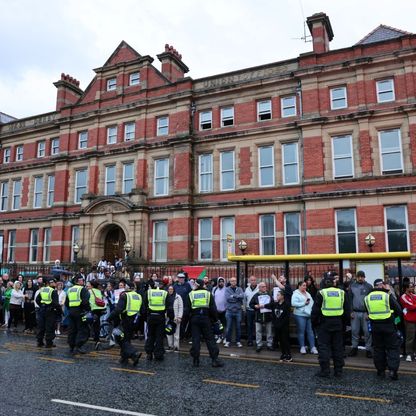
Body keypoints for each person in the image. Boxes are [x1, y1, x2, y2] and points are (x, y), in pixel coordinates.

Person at [311, 276, 350, 378]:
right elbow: (347, 311)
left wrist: (314, 323)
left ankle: (325, 370)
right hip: (338, 323)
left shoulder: (321, 293)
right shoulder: (342, 293)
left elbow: (315, 311)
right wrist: (345, 324)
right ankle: (338, 371)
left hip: (324, 324)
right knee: (338, 348)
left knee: (324, 347)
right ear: (334, 283)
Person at [364, 278, 402, 380]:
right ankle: (393, 371)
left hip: (375, 327)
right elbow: (399, 311)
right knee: (392, 348)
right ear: (381, 286)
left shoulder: (367, 298)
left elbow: (368, 312)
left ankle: (380, 371)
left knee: (378, 349)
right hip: (389, 326)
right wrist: (396, 323)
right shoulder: (387, 296)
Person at [187, 278, 223, 367]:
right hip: (206, 318)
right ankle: (214, 360)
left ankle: (196, 360)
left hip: (195, 319)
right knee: (210, 339)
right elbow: (213, 308)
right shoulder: (208, 294)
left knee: (196, 339)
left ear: (197, 285)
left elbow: (188, 309)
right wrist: (215, 319)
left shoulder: (191, 294)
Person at [108, 286, 143, 365]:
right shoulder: (138, 296)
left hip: (126, 320)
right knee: (126, 339)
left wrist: (109, 318)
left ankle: (134, 353)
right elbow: (142, 309)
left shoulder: (125, 296)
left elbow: (118, 310)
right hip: (135, 321)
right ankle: (125, 358)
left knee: (120, 338)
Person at [349, 270, 373, 358]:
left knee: (367, 332)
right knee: (354, 331)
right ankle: (354, 348)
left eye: (361, 277)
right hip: (355, 312)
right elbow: (350, 299)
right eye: (358, 276)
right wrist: (351, 311)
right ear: (356, 277)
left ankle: (368, 349)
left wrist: (369, 312)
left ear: (364, 277)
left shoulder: (369, 286)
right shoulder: (352, 286)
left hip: (365, 313)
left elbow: (371, 301)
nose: (360, 278)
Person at [65, 275, 90, 354]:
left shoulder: (70, 290)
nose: (83, 281)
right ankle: (78, 346)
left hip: (71, 311)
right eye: (82, 280)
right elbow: (85, 302)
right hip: (80, 312)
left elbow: (67, 303)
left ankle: (71, 346)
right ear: (79, 281)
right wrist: (87, 310)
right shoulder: (83, 289)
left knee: (72, 329)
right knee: (82, 329)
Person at [144, 280, 168, 361]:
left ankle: (149, 353)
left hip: (151, 316)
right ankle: (158, 354)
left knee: (150, 335)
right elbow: (168, 305)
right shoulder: (164, 293)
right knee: (159, 336)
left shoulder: (149, 292)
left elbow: (145, 304)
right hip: (160, 317)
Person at [291, 281, 318, 354]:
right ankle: (302, 347)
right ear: (299, 286)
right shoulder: (295, 294)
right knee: (301, 331)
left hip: (308, 315)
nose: (305, 287)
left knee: (310, 332)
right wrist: (304, 303)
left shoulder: (307, 293)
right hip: (300, 315)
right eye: (303, 285)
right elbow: (293, 303)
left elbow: (311, 302)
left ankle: (313, 347)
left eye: (305, 286)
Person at [35, 278, 60, 348]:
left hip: (42, 310)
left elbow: (37, 299)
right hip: (50, 311)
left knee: (41, 327)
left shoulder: (43, 289)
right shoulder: (53, 291)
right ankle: (49, 343)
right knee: (50, 327)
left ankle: (39, 342)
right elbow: (55, 303)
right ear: (54, 283)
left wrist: (42, 305)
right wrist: (58, 311)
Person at [249, 281, 273, 352]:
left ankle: (269, 344)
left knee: (269, 331)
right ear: (259, 288)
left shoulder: (269, 294)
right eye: (263, 287)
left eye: (265, 286)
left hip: (268, 315)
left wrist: (266, 306)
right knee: (258, 331)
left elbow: (272, 304)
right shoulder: (256, 295)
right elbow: (251, 304)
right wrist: (255, 306)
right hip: (258, 315)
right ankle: (259, 345)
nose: (264, 288)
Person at [271, 291, 292, 362]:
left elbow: (287, 317)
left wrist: (281, 324)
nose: (277, 296)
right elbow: (273, 315)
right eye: (277, 295)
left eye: (278, 295)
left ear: (282, 296)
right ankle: (283, 354)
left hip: (284, 327)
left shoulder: (286, 305)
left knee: (285, 340)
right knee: (280, 341)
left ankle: (288, 354)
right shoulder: (275, 304)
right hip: (277, 326)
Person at [224, 277, 244, 348]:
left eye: (235, 281)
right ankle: (227, 341)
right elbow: (228, 298)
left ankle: (238, 341)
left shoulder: (240, 289)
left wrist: (234, 296)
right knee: (228, 327)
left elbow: (242, 296)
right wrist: (237, 298)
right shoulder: (227, 289)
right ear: (230, 282)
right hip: (229, 311)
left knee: (238, 327)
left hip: (238, 311)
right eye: (232, 281)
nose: (234, 282)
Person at [88, 280, 107, 350]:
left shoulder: (89, 291)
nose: (88, 286)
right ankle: (97, 338)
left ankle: (96, 339)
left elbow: (87, 300)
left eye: (89, 285)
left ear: (92, 286)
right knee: (97, 324)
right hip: (100, 309)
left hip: (94, 309)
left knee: (92, 323)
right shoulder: (98, 291)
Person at [400, 282, 416, 362]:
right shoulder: (403, 296)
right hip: (409, 321)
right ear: (406, 288)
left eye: (413, 287)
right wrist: (414, 305)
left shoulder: (414, 295)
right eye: (411, 287)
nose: (413, 288)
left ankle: (414, 353)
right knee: (410, 338)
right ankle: (409, 354)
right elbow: (410, 306)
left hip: (415, 319)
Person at [173, 272, 192, 339]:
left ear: (184, 278)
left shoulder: (187, 285)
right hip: (176, 307)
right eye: (180, 278)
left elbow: (190, 295)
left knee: (184, 322)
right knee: (177, 322)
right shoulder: (175, 285)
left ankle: (183, 335)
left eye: (182, 278)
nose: (181, 279)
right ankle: (178, 335)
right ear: (178, 278)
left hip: (185, 307)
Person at [166, 285, 183, 351]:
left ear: (174, 290)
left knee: (176, 333)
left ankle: (176, 347)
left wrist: (179, 316)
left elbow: (181, 307)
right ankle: (170, 346)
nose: (170, 290)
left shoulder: (178, 297)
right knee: (168, 332)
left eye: (171, 289)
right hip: (168, 317)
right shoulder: (166, 296)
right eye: (169, 289)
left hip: (176, 317)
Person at [244, 275, 259, 347]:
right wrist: (244, 309)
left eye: (254, 280)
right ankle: (250, 341)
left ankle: (258, 342)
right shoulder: (247, 289)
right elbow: (244, 300)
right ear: (249, 281)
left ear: (256, 281)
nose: (253, 281)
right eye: (252, 280)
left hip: (257, 310)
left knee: (257, 327)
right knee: (249, 326)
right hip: (249, 310)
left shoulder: (259, 288)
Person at [213, 277, 227, 344]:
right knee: (219, 325)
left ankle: (225, 338)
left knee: (224, 325)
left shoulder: (227, 289)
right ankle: (220, 337)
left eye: (222, 282)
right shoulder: (215, 289)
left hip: (224, 311)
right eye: (219, 282)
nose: (221, 283)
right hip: (217, 311)